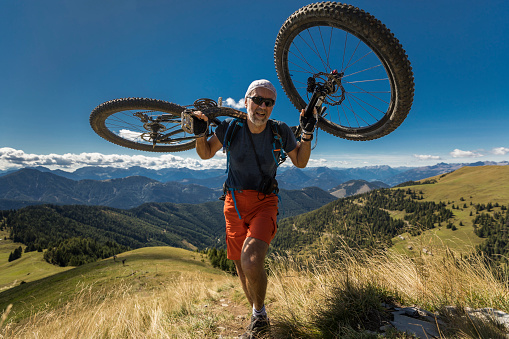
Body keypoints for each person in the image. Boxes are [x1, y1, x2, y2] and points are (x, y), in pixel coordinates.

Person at [193, 79, 316, 338]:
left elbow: (301, 161)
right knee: (240, 264)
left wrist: (307, 132)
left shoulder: (280, 130)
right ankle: (256, 313)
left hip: (264, 202)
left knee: (251, 260)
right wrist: (199, 133)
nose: (262, 106)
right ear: (246, 100)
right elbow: (205, 153)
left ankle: (259, 314)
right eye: (257, 100)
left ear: (272, 107)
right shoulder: (231, 128)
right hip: (233, 203)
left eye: (268, 102)